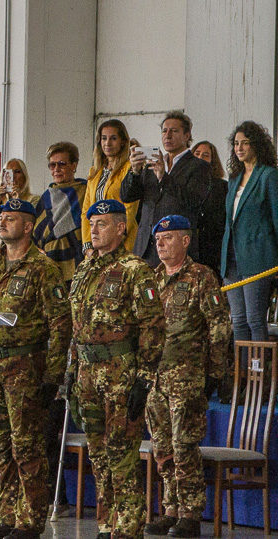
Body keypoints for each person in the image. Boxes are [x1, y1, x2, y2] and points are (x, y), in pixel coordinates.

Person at [0, 199, 71, 539]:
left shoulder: (43, 268)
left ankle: (30, 520)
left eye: (10, 219)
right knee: (0, 445)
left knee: (26, 446)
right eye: (1, 219)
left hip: (25, 366)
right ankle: (8, 514)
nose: (2, 224)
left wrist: (52, 376)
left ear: (28, 226)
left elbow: (60, 324)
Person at [66, 199, 164, 539]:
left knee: (122, 457)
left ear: (121, 228)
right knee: (99, 456)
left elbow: (153, 326)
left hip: (120, 373)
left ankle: (128, 528)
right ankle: (107, 524)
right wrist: (71, 369)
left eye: (102, 223)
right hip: (87, 373)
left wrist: (145, 378)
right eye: (92, 223)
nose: (94, 229)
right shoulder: (84, 268)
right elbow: (75, 324)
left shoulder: (136, 269)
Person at [144, 215, 232, 537]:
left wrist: (215, 373)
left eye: (168, 238)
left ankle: (191, 513)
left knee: (184, 447)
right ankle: (170, 509)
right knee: (162, 449)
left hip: (188, 379)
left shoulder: (201, 278)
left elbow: (219, 326)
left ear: (185, 240)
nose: (161, 244)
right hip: (156, 380)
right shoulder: (151, 280)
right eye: (157, 240)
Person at [120, 111, 213, 268]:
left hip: (178, 250)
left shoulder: (199, 166)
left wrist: (164, 177)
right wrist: (134, 171)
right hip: (145, 248)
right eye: (164, 131)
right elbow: (127, 196)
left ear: (187, 135)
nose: (168, 136)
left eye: (174, 131)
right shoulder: (152, 163)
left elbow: (193, 201)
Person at [220, 121, 278, 343]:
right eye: (236, 143)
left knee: (255, 320)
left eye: (245, 143)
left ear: (256, 145)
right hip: (231, 257)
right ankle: (242, 375)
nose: (239, 148)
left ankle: (258, 374)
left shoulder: (269, 176)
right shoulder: (234, 179)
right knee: (238, 320)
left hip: (257, 258)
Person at [81, 119, 139, 254]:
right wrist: (87, 245)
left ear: (123, 141)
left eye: (113, 138)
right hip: (95, 246)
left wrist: (114, 240)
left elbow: (130, 210)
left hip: (120, 242)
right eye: (104, 138)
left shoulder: (129, 168)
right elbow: (86, 211)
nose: (107, 143)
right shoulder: (94, 171)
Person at [33, 142, 88, 285]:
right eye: (52, 165)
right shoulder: (46, 198)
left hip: (78, 261)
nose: (56, 169)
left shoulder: (85, 191)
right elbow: (36, 232)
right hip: (48, 264)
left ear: (74, 165)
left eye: (62, 164)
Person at [191, 141, 227, 277]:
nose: (200, 157)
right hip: (188, 247)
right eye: (197, 153)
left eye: (205, 155)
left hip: (212, 249)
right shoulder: (181, 183)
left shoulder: (222, 187)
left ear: (213, 160)